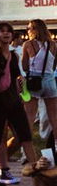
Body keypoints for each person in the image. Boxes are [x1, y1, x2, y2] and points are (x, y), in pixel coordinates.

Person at [0, 22, 36, 186]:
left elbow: (16, 77)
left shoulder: (14, 55)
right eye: (1, 31)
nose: (6, 34)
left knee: (25, 135)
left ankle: (37, 173)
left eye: (8, 31)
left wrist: (22, 91)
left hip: (12, 99)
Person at [25, 19, 56, 156]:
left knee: (29, 118)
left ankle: (26, 152)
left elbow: (24, 66)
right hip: (50, 81)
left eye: (29, 28)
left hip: (34, 81)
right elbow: (54, 65)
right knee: (54, 118)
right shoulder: (54, 44)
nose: (28, 31)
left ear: (34, 29)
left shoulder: (28, 44)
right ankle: (56, 147)